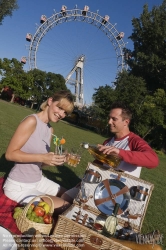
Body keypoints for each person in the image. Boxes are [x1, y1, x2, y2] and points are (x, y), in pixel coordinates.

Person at [3, 90, 78, 215]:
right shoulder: (32, 121)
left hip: (38, 180)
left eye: (65, 112)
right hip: (19, 186)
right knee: (67, 208)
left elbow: (40, 163)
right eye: (60, 108)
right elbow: (10, 154)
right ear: (50, 101)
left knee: (71, 199)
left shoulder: (50, 129)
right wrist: (43, 157)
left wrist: (57, 160)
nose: (61, 114)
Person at [97, 102, 159, 178]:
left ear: (126, 122)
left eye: (114, 119)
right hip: (103, 187)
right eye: (109, 118)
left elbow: (153, 161)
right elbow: (100, 164)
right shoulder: (107, 142)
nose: (109, 122)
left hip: (124, 189)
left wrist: (119, 152)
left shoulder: (135, 141)